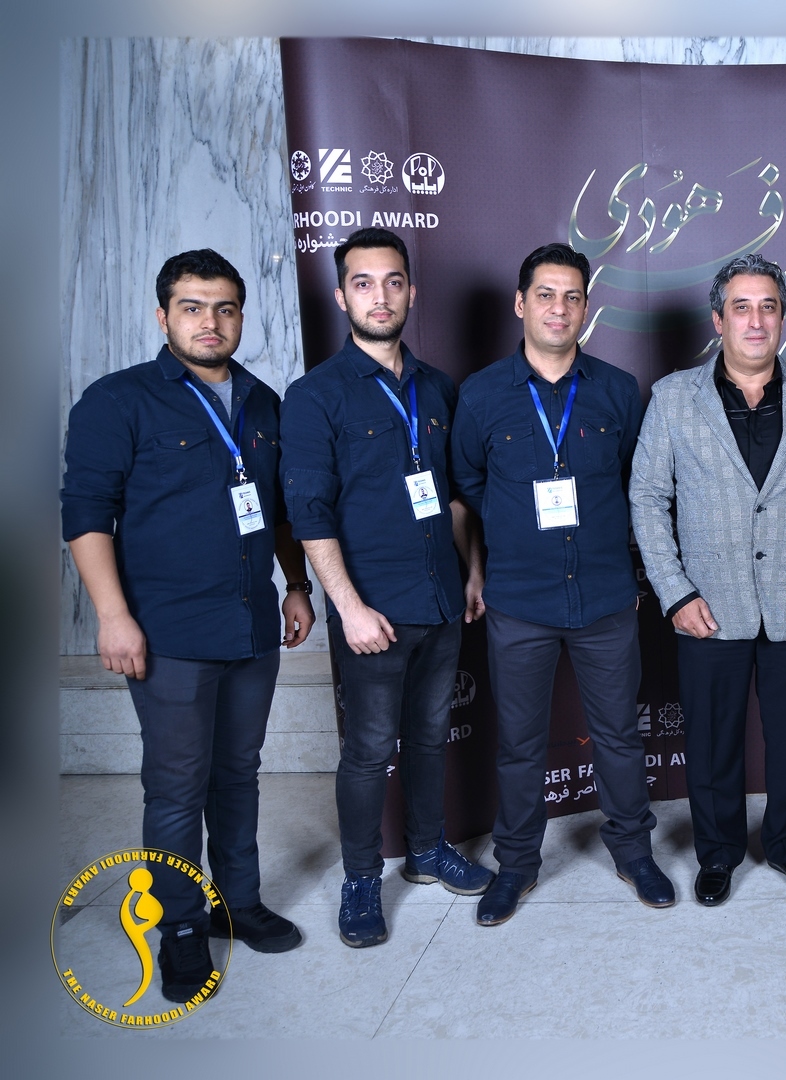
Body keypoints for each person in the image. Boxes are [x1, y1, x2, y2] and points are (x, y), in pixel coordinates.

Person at [62, 249, 313, 1002]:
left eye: (225, 308)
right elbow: (86, 515)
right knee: (176, 787)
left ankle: (237, 904)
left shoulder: (263, 403)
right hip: (166, 631)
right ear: (163, 315)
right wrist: (113, 617)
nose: (211, 322)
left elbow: (279, 511)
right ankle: (177, 925)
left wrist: (297, 586)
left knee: (238, 773)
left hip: (251, 627)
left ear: (241, 316)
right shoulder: (118, 401)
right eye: (193, 307)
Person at [629, 254, 786, 905]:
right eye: (742, 307)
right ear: (718, 319)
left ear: (784, 317)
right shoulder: (674, 398)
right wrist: (675, 592)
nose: (756, 320)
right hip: (706, 603)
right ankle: (718, 853)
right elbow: (647, 498)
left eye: (768, 306)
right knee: (711, 743)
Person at [280, 228, 492, 948]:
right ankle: (362, 878)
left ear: (411, 291)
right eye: (363, 283)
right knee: (370, 749)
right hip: (371, 611)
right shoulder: (314, 396)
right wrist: (348, 608)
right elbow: (309, 515)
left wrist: (471, 571)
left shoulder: (437, 387)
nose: (381, 296)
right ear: (342, 297)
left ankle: (428, 850)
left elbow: (455, 495)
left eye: (393, 281)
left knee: (431, 735)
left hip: (440, 600)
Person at [452, 243, 671, 924]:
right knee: (519, 744)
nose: (559, 308)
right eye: (545, 295)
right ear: (521, 304)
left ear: (586, 308)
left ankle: (633, 850)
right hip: (518, 601)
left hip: (606, 597)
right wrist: (491, 554)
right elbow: (468, 487)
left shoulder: (617, 390)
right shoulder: (481, 394)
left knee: (619, 736)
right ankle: (517, 863)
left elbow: (639, 484)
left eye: (573, 296)